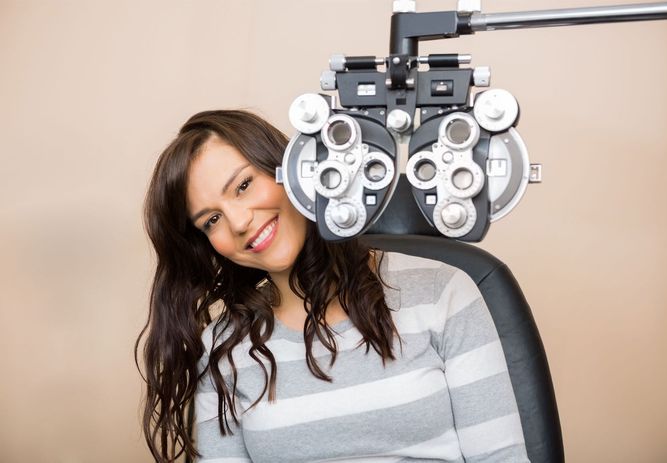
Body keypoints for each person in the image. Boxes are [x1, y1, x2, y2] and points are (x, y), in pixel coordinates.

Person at [137, 109, 530, 463]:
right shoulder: (224, 349)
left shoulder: (442, 293)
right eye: (211, 221)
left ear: (291, 169)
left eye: (243, 186)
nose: (238, 222)